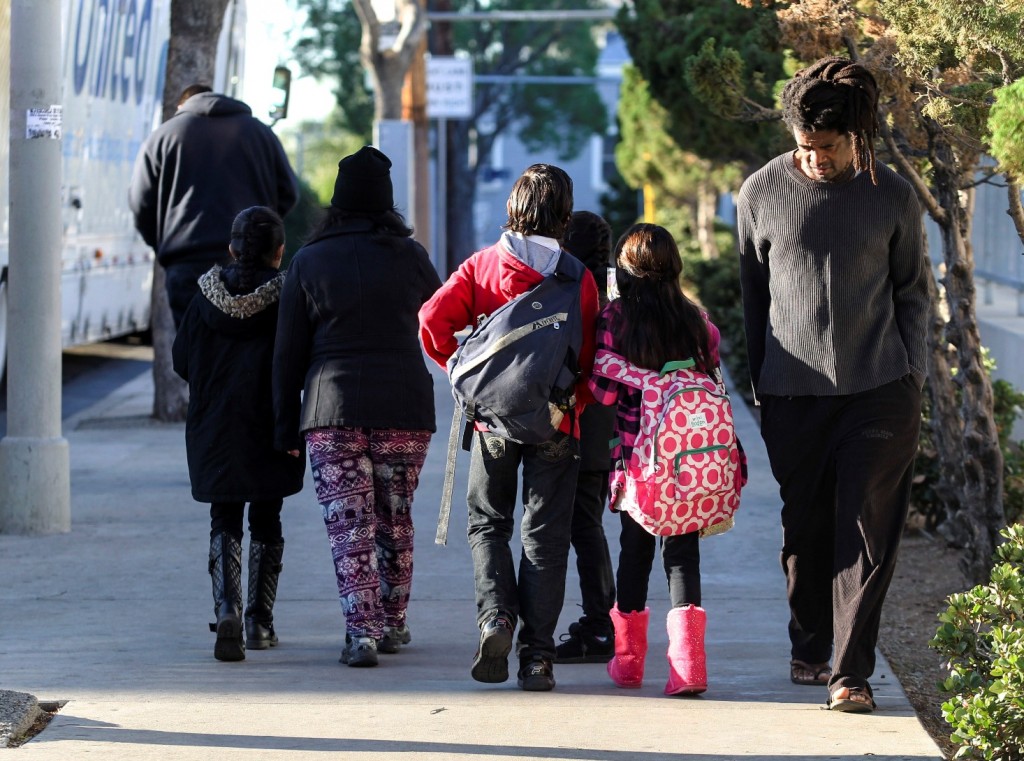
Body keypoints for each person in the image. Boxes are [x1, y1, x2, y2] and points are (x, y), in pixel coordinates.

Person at [737, 56, 929, 713]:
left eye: (827, 146)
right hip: (794, 394)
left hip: (879, 388)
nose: (814, 158)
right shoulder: (759, 194)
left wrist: (914, 374)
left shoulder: (892, 195)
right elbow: (751, 299)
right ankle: (812, 644)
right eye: (804, 147)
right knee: (807, 532)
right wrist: (761, 385)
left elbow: (913, 293)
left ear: (859, 136)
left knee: (866, 535)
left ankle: (850, 673)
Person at [419, 164, 600, 692]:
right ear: (565, 217)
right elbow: (589, 355)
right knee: (545, 537)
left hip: (493, 423)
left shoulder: (482, 267)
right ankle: (538, 658)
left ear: (512, 209)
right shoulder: (577, 278)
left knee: (488, 523)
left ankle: (496, 617)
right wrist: (574, 406)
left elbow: (432, 322)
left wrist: (460, 373)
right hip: (556, 423)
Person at [273, 146, 441, 668]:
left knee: (351, 526)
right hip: (404, 405)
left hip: (332, 409)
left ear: (337, 202)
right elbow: (440, 319)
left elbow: (288, 354)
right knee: (396, 518)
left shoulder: (309, 260)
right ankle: (392, 623)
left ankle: (361, 632)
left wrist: (285, 428)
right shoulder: (410, 257)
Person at [588, 223, 722, 695]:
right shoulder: (696, 320)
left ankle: (628, 665)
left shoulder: (616, 320)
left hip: (637, 462)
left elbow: (601, 394)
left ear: (625, 272)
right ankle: (690, 670)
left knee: (634, 554)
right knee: (683, 557)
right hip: (688, 461)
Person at [171, 206, 305, 662]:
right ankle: (260, 623)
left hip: (215, 427)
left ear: (231, 248)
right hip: (270, 424)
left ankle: (226, 607)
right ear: (279, 252)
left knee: (224, 517)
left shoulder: (202, 297)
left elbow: (181, 361)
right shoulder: (288, 298)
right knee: (267, 518)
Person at [129, 84, 299, 328]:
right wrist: (257, 232)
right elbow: (289, 192)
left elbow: (141, 202)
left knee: (194, 354)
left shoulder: (164, 135)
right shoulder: (260, 133)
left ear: (182, 106)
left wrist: (164, 244)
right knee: (251, 349)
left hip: (186, 264)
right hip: (249, 261)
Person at [553, 211, 617, 664]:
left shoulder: (569, 292)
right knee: (587, 524)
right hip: (605, 430)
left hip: (575, 425)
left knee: (581, 528)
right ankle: (602, 621)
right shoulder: (615, 298)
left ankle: (599, 625)